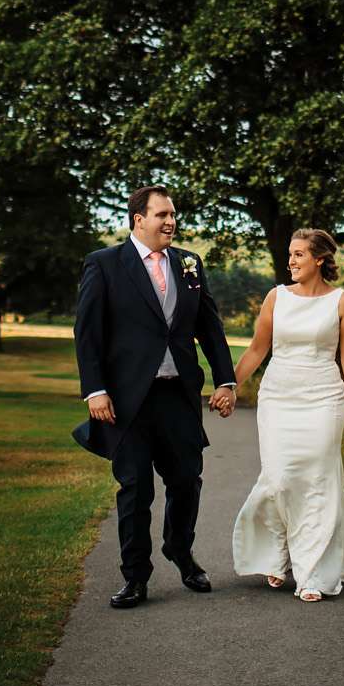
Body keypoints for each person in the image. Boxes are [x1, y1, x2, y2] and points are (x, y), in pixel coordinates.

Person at [74, 185, 238, 610]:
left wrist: (225, 380)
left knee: (187, 481)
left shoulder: (189, 264)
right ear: (138, 220)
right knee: (135, 489)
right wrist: (95, 389)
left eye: (173, 214)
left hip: (177, 396)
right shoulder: (104, 264)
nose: (170, 221)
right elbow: (87, 334)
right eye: (162, 214)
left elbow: (210, 327)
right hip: (126, 401)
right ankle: (135, 577)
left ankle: (179, 550)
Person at [229, 227, 344, 602]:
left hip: (323, 399)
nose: (291, 261)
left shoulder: (343, 302)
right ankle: (276, 554)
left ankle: (313, 573)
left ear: (319, 259)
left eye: (299, 254)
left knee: (317, 482)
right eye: (290, 254)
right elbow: (256, 350)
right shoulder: (276, 298)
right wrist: (228, 386)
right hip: (278, 398)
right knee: (280, 479)